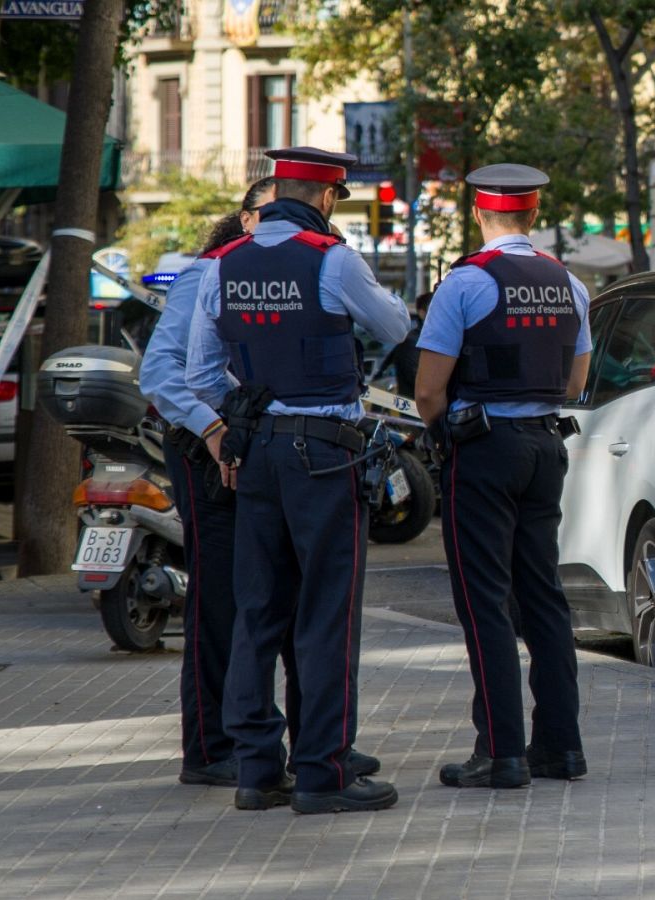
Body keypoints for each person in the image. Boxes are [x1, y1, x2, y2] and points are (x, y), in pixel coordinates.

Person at [185, 147, 410, 814]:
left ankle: (258, 772)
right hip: (325, 456)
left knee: (258, 611)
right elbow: (395, 326)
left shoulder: (222, 264)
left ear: (277, 191)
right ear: (327, 198)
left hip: (257, 454)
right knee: (325, 614)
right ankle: (323, 772)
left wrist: (250, 400)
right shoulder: (332, 258)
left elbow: (200, 374)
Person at [414, 163, 592, 789]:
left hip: (485, 451)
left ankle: (501, 751)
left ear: (479, 215)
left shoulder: (464, 283)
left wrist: (445, 440)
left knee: (484, 600)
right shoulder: (569, 283)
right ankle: (561, 748)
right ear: (533, 215)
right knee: (542, 597)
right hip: (546, 447)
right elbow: (574, 384)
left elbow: (429, 391)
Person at [140, 177, 313, 788]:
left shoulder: (299, 271)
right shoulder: (207, 273)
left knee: (273, 599)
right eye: (271, 213)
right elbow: (161, 374)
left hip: (261, 453)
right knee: (220, 604)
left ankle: (294, 740)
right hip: (210, 453)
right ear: (245, 220)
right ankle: (211, 749)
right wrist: (216, 434)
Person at [372, 291, 430, 399]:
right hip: (415, 407)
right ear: (422, 313)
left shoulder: (432, 339)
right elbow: (418, 379)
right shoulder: (412, 342)